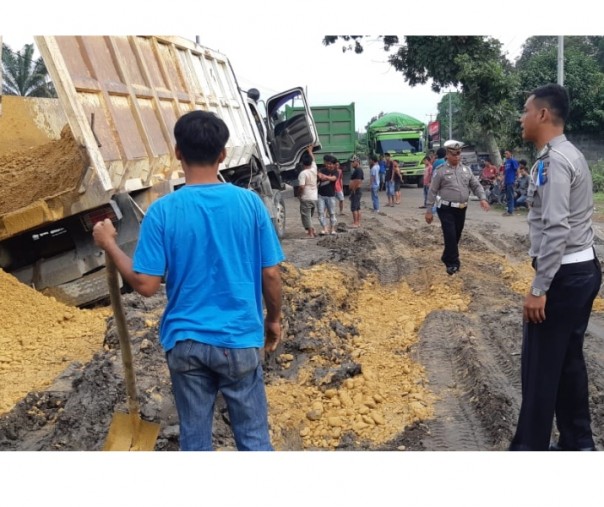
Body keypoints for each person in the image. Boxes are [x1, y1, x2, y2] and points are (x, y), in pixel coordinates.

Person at [92, 110, 284, 451]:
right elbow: (270, 273)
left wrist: (108, 244)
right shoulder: (250, 204)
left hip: (186, 342)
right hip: (240, 339)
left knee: (194, 442)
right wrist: (274, 320)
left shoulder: (162, 212)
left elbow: (146, 285)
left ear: (178, 152)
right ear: (223, 154)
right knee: (254, 440)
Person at [509, 84, 601, 452]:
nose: (522, 117)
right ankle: (578, 443)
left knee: (540, 369)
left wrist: (539, 287)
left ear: (543, 115)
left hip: (564, 276)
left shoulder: (554, 161)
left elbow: (557, 227)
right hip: (580, 271)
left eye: (526, 110)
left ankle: (528, 451)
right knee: (566, 363)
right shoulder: (567, 154)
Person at [425, 139, 490, 275]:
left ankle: (447, 256)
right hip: (446, 208)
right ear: (447, 155)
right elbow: (432, 190)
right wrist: (429, 210)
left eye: (459, 154)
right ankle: (453, 263)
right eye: (454, 154)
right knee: (450, 235)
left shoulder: (466, 170)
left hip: (461, 209)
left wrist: (482, 198)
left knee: (456, 235)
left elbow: (475, 185)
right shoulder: (440, 171)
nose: (457, 157)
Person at [297, 146, 318, 238]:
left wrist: (299, 194)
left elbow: (302, 186)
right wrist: (310, 151)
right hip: (314, 197)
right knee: (309, 215)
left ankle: (310, 233)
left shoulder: (303, 173)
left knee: (306, 215)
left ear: (302, 163)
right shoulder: (314, 169)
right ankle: (312, 229)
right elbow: (313, 160)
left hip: (306, 197)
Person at [317, 155, 338, 235]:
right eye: (328, 164)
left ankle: (332, 229)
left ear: (334, 164)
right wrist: (328, 177)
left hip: (331, 196)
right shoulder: (322, 170)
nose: (329, 165)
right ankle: (324, 228)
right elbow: (320, 178)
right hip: (321, 195)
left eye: (331, 164)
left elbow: (334, 178)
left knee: (332, 213)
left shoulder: (336, 171)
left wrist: (325, 177)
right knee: (321, 213)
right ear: (325, 163)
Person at [502, 149, 519, 216]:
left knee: (511, 196)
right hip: (506, 181)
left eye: (507, 153)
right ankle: (508, 210)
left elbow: (517, 169)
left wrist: (516, 179)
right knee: (508, 197)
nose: (506, 155)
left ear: (510, 154)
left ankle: (510, 211)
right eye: (505, 153)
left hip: (511, 181)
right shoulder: (506, 162)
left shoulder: (513, 161)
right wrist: (503, 181)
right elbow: (505, 173)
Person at [348, 155, 364, 228]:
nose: (352, 163)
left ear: (357, 162)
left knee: (354, 207)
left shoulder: (358, 170)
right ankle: (358, 222)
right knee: (357, 207)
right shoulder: (357, 170)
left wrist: (353, 190)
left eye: (353, 162)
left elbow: (358, 181)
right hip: (356, 190)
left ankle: (356, 223)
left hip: (356, 191)